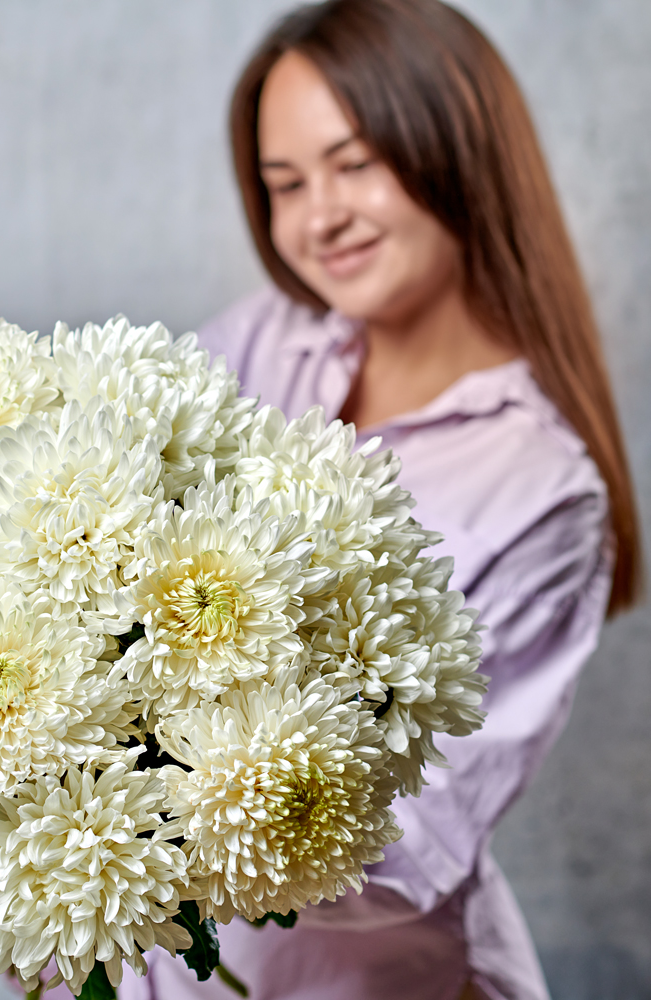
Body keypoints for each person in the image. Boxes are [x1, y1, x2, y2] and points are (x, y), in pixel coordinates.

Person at [113, 2, 641, 999]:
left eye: (354, 165)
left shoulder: (544, 493)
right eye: (286, 184)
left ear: (456, 152)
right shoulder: (262, 341)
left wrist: (109, 816)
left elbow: (414, 841)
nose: (321, 217)